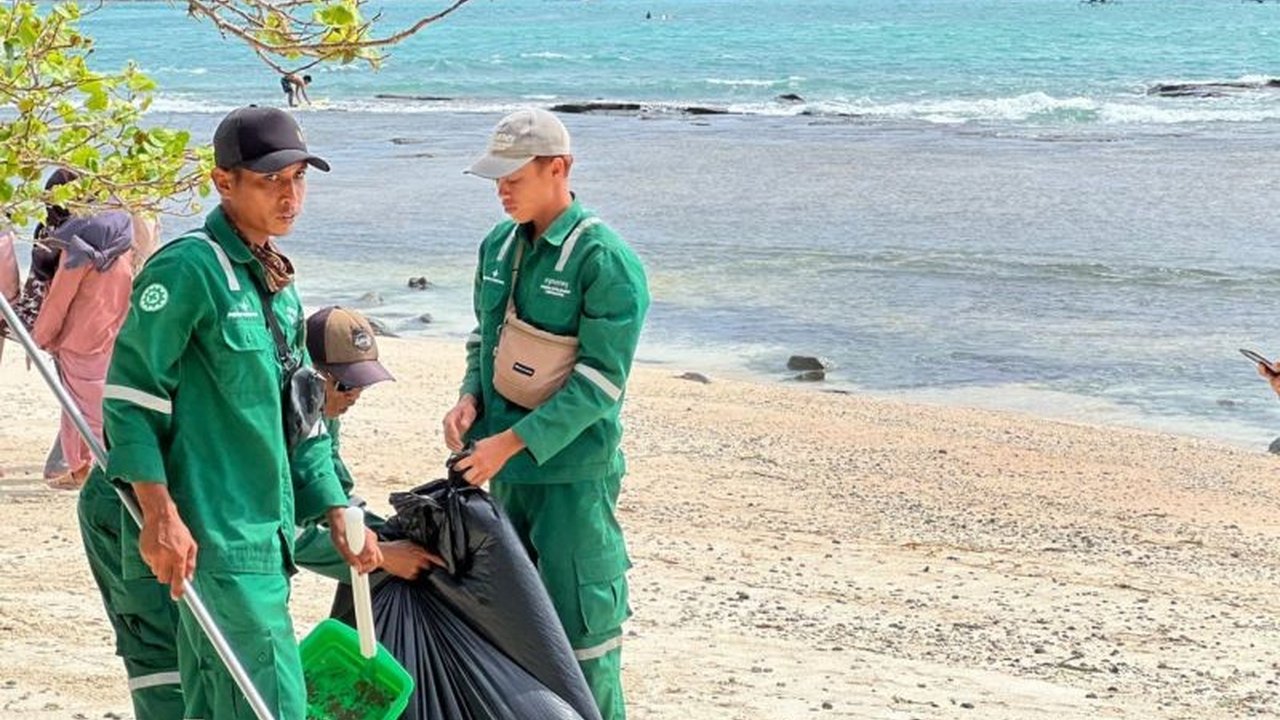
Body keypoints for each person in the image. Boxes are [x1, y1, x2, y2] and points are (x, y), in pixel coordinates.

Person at [96, 104, 379, 720]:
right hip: (216, 541)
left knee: (218, 707)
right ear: (224, 183)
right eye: (271, 181)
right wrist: (159, 514)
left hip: (268, 537)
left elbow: (302, 419)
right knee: (275, 704)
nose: (290, 196)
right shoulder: (189, 268)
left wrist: (336, 507)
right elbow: (130, 399)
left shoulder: (275, 283)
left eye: (299, 178)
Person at [442, 108, 650, 720]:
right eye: (496, 178)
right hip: (503, 479)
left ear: (559, 169)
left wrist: (509, 443)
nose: (502, 189)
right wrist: (468, 400)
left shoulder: (605, 261)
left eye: (515, 176)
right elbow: (485, 341)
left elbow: (599, 384)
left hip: (571, 482)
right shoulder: (496, 246)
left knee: (584, 644)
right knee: (517, 643)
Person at [293, 305, 439, 582]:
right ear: (311, 375)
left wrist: (383, 533)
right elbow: (280, 532)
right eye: (347, 385)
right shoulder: (279, 425)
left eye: (362, 384)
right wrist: (382, 555)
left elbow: (336, 493)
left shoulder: (326, 414)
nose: (355, 396)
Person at [32, 211, 136, 490]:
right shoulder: (122, 250)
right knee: (81, 404)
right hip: (111, 336)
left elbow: (58, 301)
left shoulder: (78, 255)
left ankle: (111, 474)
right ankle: (79, 468)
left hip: (80, 340)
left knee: (87, 411)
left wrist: (39, 337)